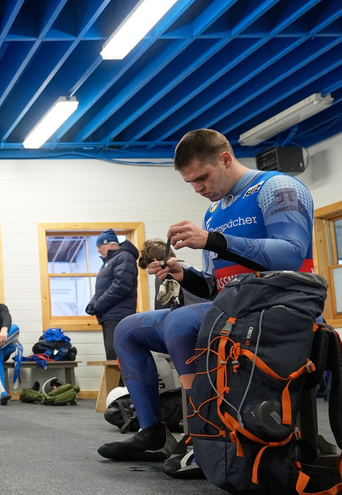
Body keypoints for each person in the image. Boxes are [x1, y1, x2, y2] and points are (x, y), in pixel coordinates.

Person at [99, 129, 314, 475]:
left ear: (226, 159)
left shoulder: (278, 187)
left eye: (202, 177)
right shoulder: (214, 211)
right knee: (127, 329)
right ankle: (152, 432)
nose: (198, 188)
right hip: (232, 310)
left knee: (181, 320)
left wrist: (213, 240)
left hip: (279, 309)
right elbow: (218, 287)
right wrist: (183, 275)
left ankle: (205, 437)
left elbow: (291, 254)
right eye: (190, 183)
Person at [86, 230, 139, 361]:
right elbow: (103, 289)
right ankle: (118, 382)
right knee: (112, 356)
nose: (98, 251)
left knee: (117, 357)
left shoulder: (124, 257)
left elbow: (121, 285)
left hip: (118, 316)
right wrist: (92, 303)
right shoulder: (108, 263)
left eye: (99, 246)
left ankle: (123, 382)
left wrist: (98, 305)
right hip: (109, 316)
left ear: (110, 244)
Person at [136, 239, 205, 311]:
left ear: (155, 262)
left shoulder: (164, 273)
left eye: (151, 268)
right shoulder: (191, 269)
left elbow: (163, 311)